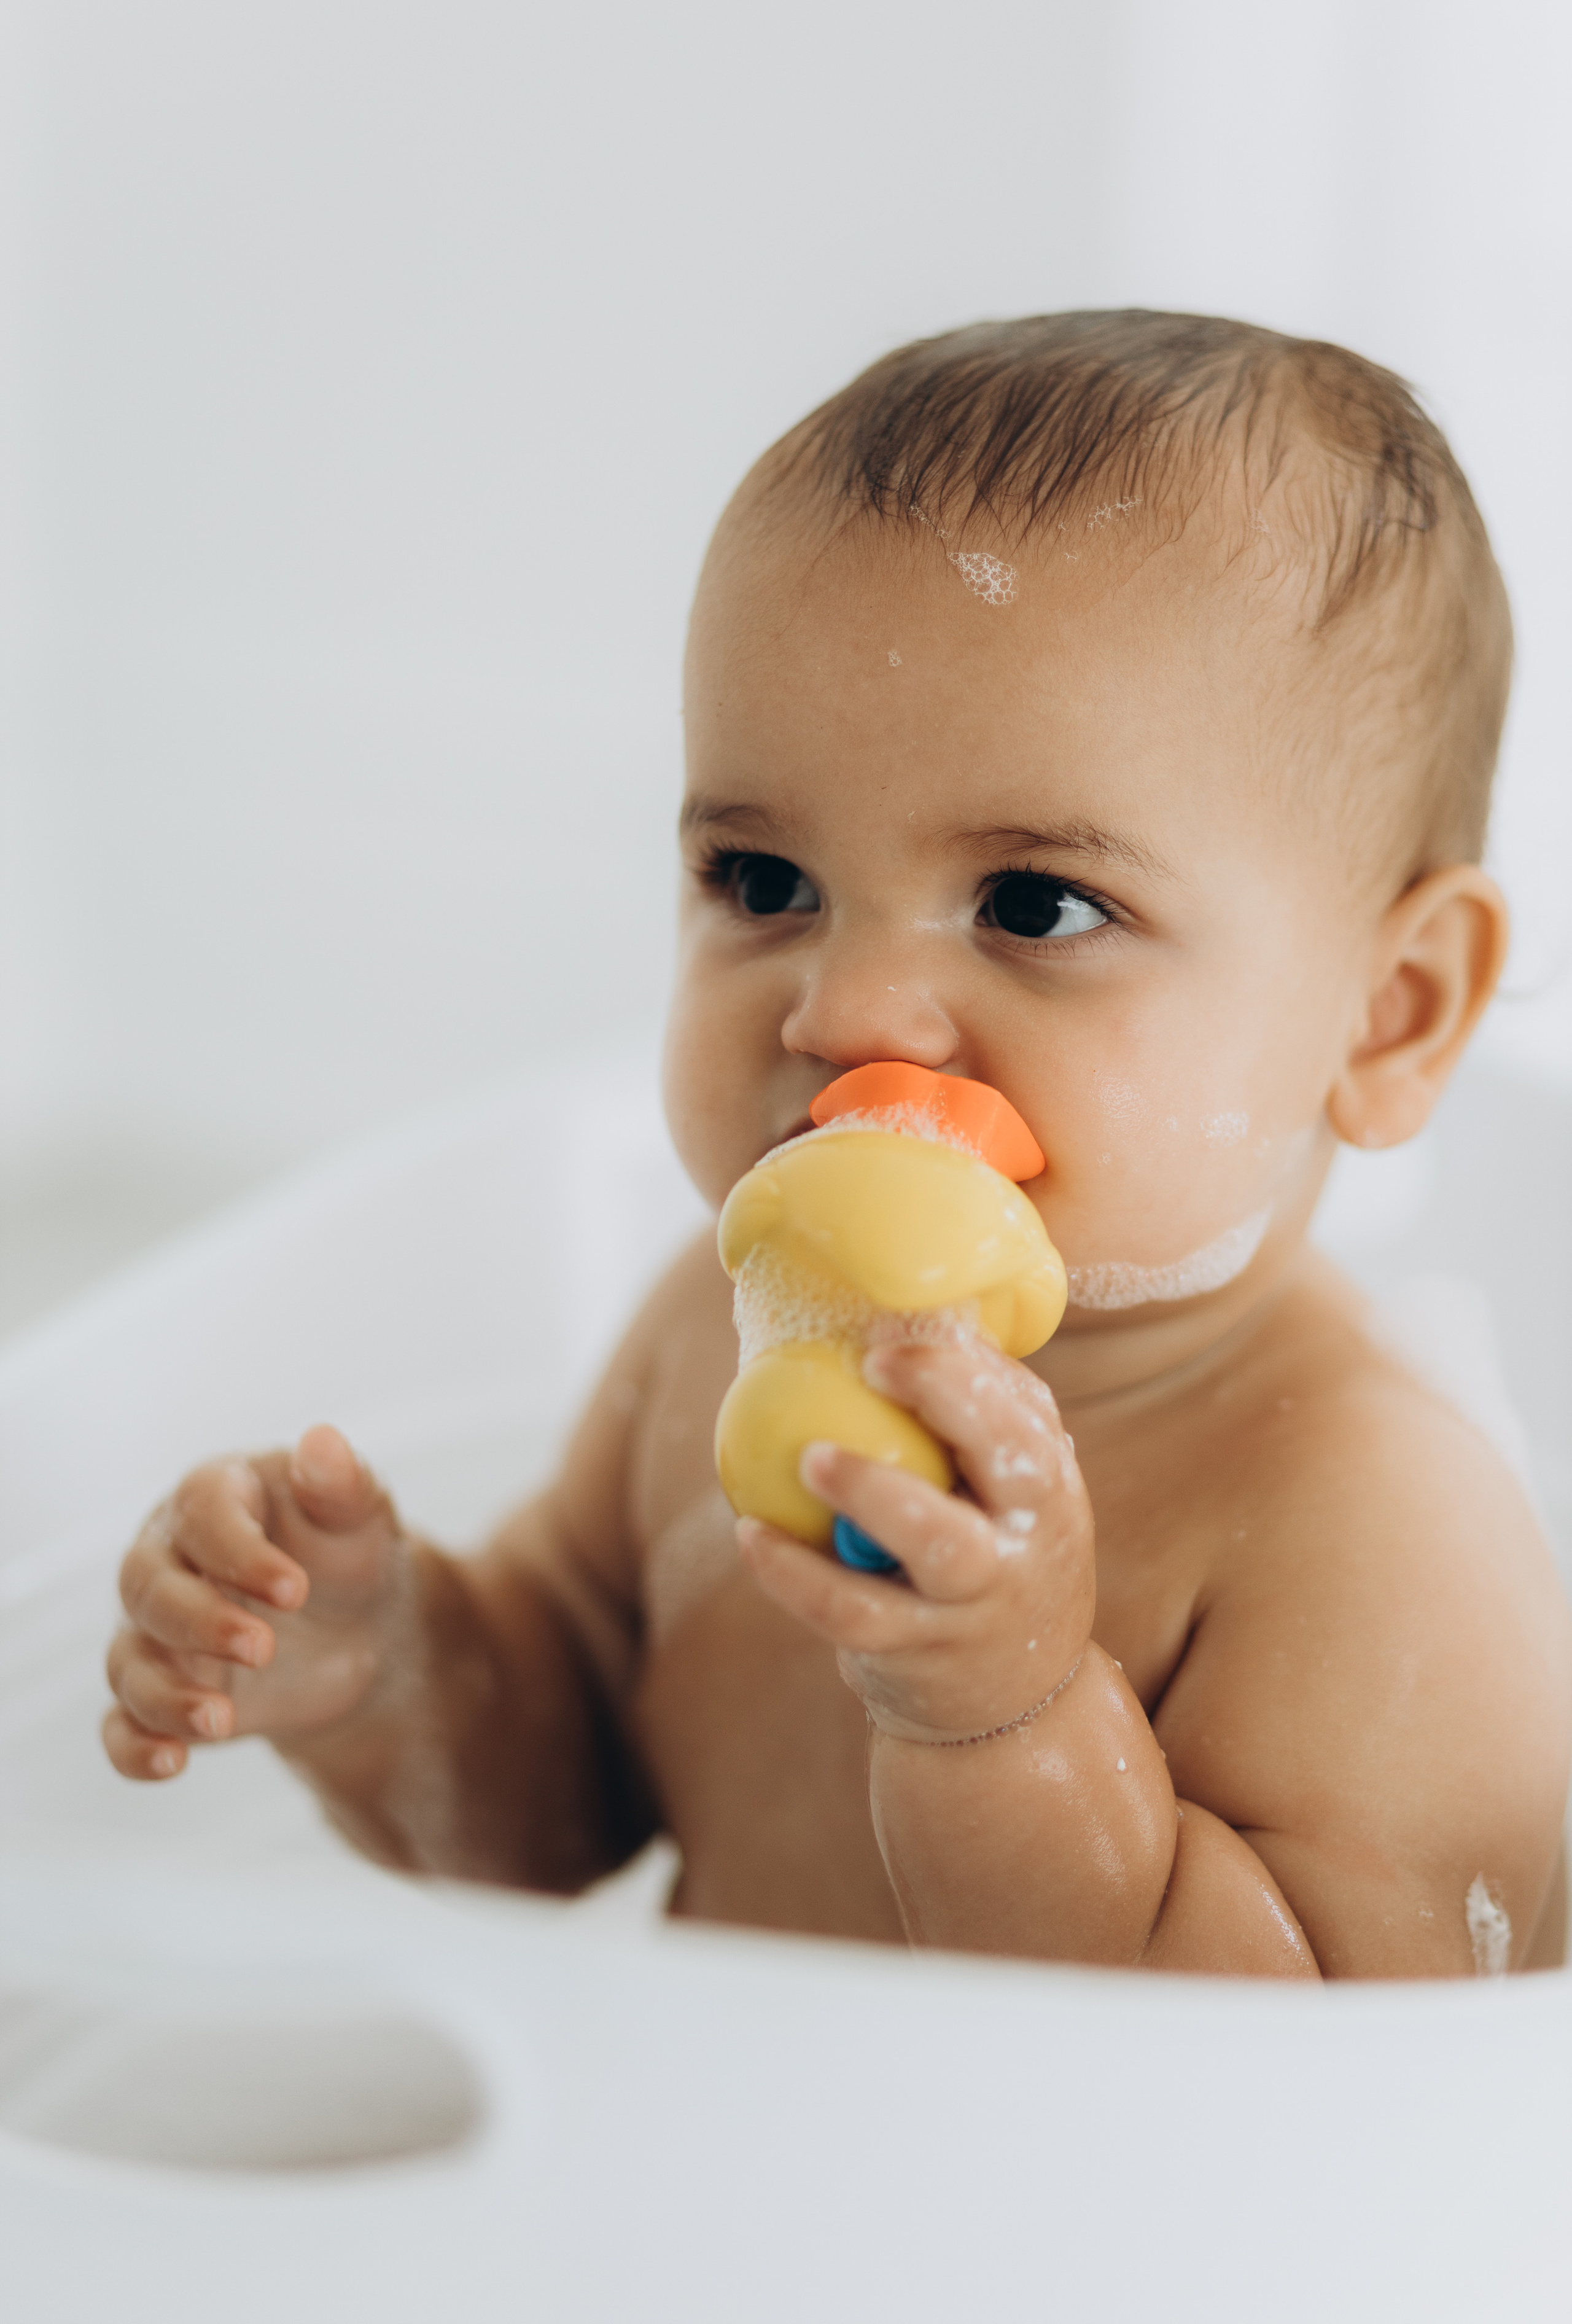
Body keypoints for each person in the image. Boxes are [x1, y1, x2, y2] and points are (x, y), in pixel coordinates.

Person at [101, 312, 1572, 1976]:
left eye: (1037, 904)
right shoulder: (707, 1341)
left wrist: (1010, 1724)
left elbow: (1318, 2115)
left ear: (1387, 1015)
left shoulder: (1368, 1523)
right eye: (762, 883)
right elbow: (551, 1814)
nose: (849, 1004)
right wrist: (381, 1674)